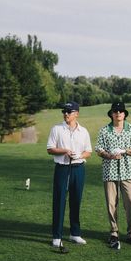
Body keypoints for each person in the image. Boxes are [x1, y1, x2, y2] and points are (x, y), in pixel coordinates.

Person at [95, 102, 131, 246]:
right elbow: (98, 149)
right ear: (111, 114)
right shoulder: (104, 130)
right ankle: (114, 232)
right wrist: (109, 155)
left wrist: (124, 151)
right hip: (110, 172)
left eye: (121, 111)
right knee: (111, 203)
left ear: (124, 114)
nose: (118, 113)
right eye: (115, 111)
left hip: (128, 172)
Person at [47, 101, 92, 247]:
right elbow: (50, 149)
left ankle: (75, 234)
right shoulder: (56, 129)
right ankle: (57, 236)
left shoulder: (83, 131)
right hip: (62, 168)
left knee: (76, 201)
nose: (65, 114)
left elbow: (88, 152)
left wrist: (79, 155)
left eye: (69, 112)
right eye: (64, 112)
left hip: (78, 169)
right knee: (59, 201)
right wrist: (65, 151)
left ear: (76, 114)